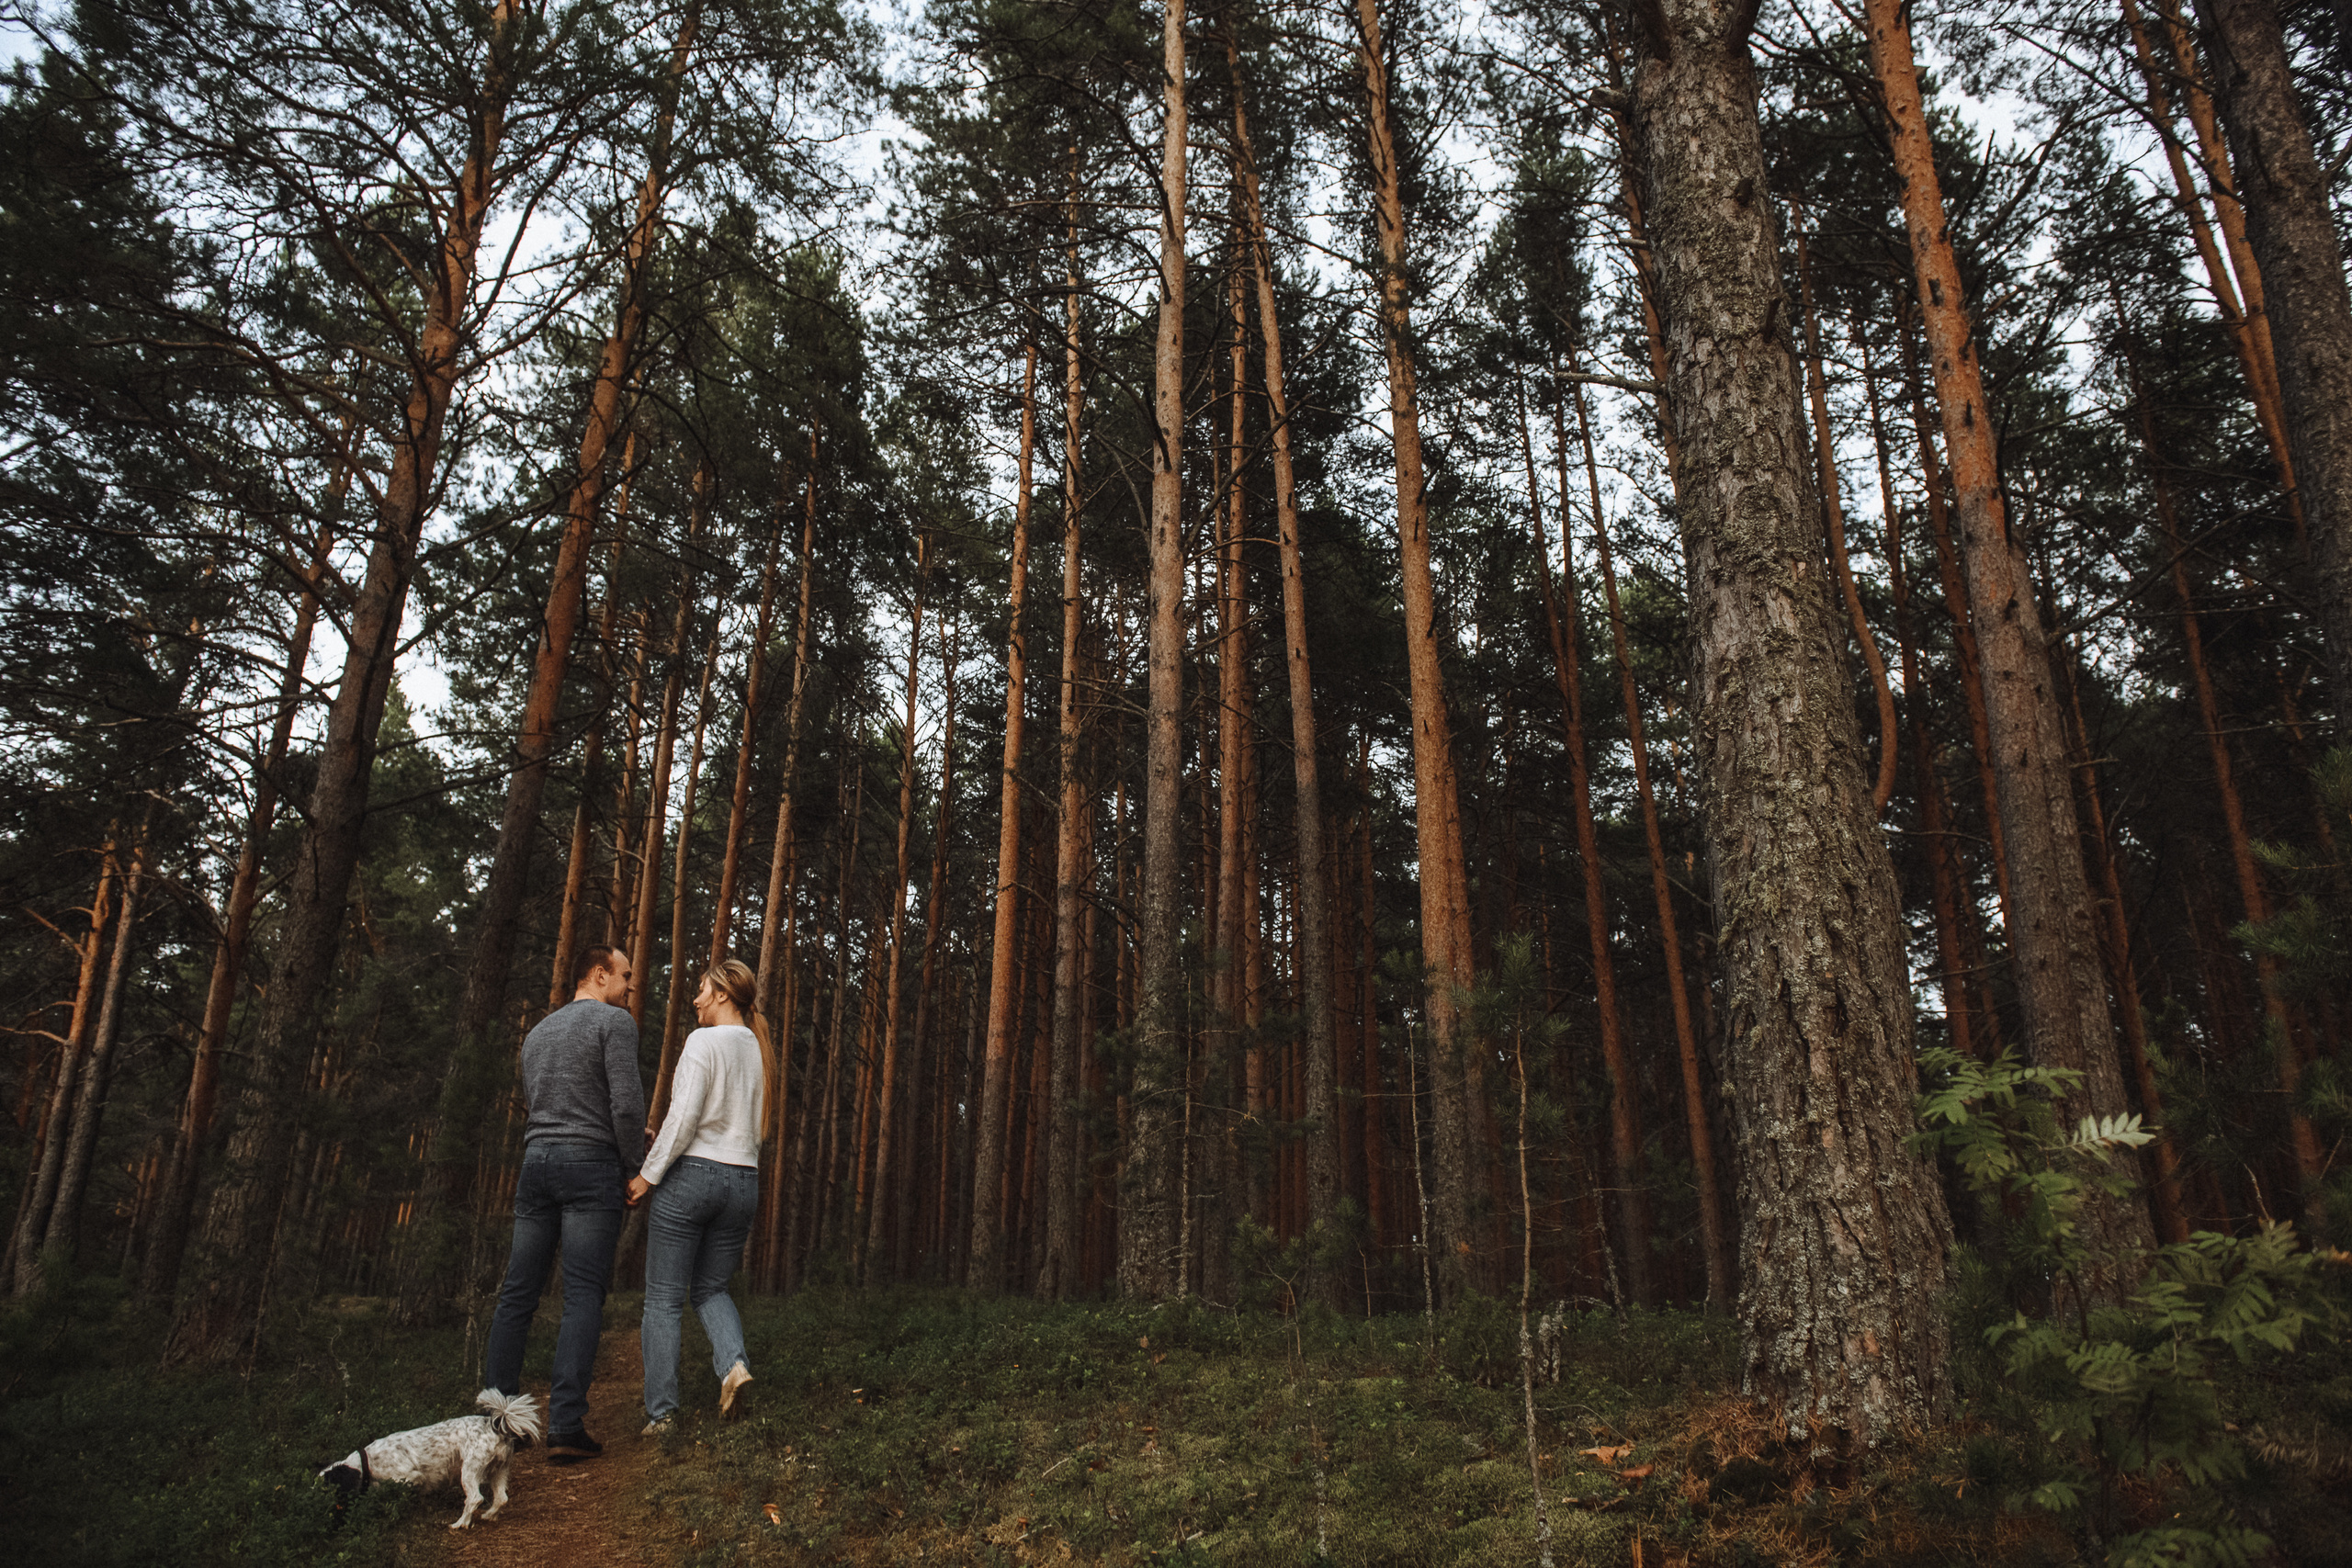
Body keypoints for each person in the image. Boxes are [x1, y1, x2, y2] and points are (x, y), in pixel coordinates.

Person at [484, 943, 645, 1462]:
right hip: (590, 1167)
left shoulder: (537, 1033)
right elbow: (625, 1105)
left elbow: (556, 1103)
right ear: (598, 975)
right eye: (624, 975)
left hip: (536, 1163)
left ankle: (497, 1425)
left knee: (517, 1294)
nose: (630, 986)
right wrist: (634, 1166)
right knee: (582, 1294)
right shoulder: (615, 1023)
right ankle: (565, 1426)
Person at [628, 956, 766, 1435]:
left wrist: (647, 1176)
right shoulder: (756, 1048)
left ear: (723, 994)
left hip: (693, 1176)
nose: (695, 999)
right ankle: (734, 1366)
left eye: (703, 990)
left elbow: (683, 1118)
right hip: (744, 1181)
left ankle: (663, 1415)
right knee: (711, 1289)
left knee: (664, 1299)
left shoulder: (702, 1041)